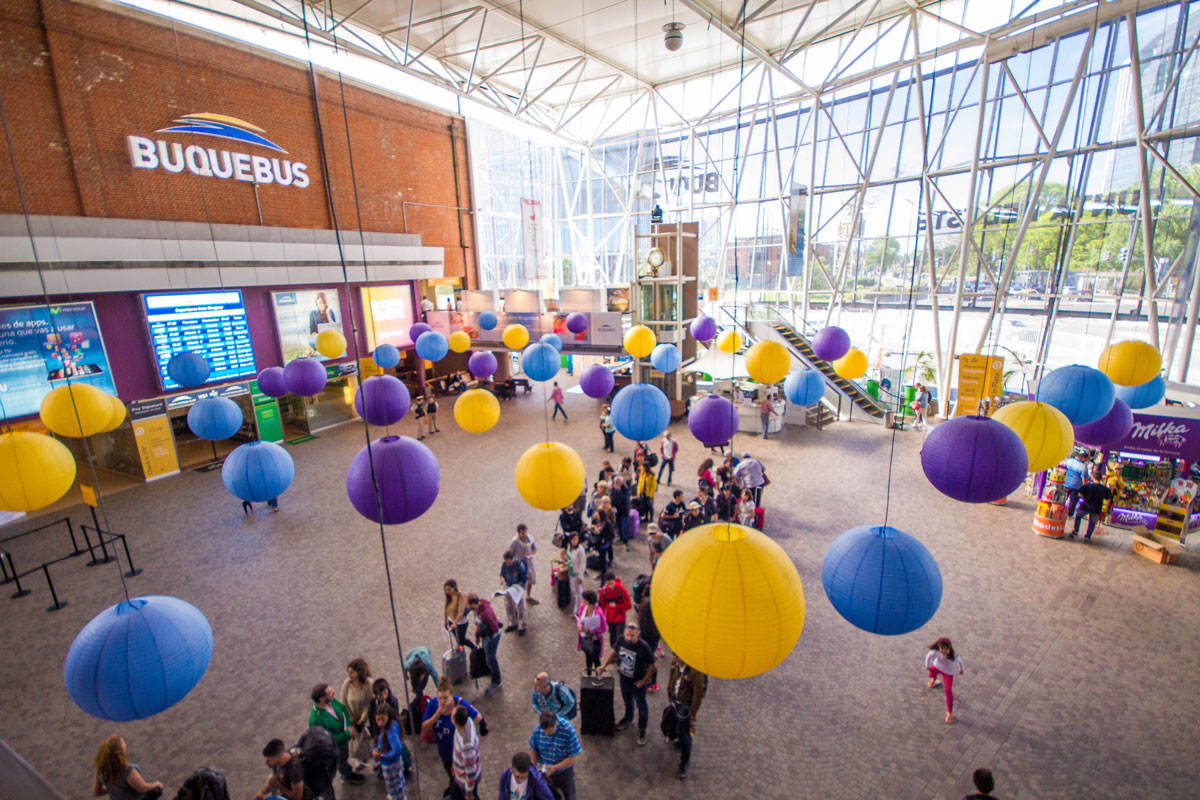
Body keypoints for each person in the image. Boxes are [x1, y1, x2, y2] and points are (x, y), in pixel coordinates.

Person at [422, 677, 484, 798]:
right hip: (445, 752)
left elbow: (477, 717)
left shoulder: (458, 705)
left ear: (452, 696)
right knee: (452, 776)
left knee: (463, 784)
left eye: (446, 698)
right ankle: (452, 786)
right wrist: (437, 714)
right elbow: (424, 728)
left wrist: (468, 734)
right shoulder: (434, 705)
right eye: (440, 698)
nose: (443, 701)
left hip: (460, 755)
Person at [599, 621, 657, 745]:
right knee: (627, 701)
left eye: (632, 635)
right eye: (627, 635)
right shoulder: (621, 640)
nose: (628, 638)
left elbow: (653, 666)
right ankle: (628, 718)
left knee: (641, 706)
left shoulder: (644, 647)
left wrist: (644, 681)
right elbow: (614, 652)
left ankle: (642, 730)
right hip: (624, 680)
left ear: (638, 634)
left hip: (638, 684)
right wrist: (604, 665)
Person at [309, 682, 364, 784]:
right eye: (330, 693)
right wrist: (347, 734)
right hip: (335, 747)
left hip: (343, 741)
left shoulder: (331, 702)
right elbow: (327, 739)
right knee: (341, 760)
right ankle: (346, 776)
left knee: (344, 756)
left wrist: (349, 724)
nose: (333, 693)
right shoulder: (315, 719)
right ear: (321, 698)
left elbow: (343, 709)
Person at [666, 655, 706, 780]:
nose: (675, 658)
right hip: (675, 701)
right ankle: (679, 741)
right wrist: (670, 694)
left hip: (685, 707)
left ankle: (685, 762)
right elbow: (671, 678)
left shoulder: (695, 671)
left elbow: (698, 694)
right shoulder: (675, 662)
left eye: (677, 656)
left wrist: (692, 712)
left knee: (685, 735)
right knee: (677, 728)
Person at [528, 711, 582, 800]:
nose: (545, 734)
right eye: (544, 731)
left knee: (569, 795)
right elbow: (533, 748)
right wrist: (533, 765)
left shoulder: (568, 730)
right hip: (546, 772)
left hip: (564, 772)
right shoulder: (538, 730)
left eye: (548, 731)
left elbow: (573, 757)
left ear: (555, 724)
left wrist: (555, 767)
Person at [91, 735, 163, 800]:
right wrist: (156, 784)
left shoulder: (100, 770)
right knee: (156, 790)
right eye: (123, 742)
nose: (125, 743)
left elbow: (96, 792)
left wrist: (114, 789)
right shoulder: (127, 770)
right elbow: (142, 788)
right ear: (119, 750)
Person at [341, 658, 374, 770]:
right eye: (348, 672)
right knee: (357, 740)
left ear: (359, 672)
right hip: (353, 719)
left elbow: (369, 703)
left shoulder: (368, 684)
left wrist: (362, 718)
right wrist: (351, 719)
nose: (349, 675)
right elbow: (344, 702)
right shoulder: (347, 684)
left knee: (371, 737)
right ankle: (361, 758)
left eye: (352, 672)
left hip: (366, 718)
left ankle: (376, 759)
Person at [467, 593, 503, 694]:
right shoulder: (476, 610)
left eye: (469, 606)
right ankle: (490, 670)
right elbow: (477, 623)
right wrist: (477, 636)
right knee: (488, 656)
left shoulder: (486, 613)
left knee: (491, 658)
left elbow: (494, 627)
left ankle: (496, 681)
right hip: (485, 636)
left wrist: (488, 636)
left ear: (473, 604)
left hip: (491, 637)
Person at [372, 702, 407, 800]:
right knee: (398, 780)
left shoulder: (391, 730)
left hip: (390, 763)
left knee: (393, 785)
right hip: (393, 762)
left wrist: (383, 755)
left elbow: (398, 749)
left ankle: (398, 797)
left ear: (389, 716)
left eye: (383, 719)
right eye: (378, 719)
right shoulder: (389, 726)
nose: (379, 722)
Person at [926, 637, 965, 723]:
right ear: (939, 647)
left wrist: (961, 669)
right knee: (931, 673)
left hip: (948, 672)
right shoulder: (936, 652)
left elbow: (960, 661)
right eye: (941, 648)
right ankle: (933, 680)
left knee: (948, 691)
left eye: (945, 649)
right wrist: (927, 665)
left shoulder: (953, 656)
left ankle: (949, 714)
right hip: (937, 666)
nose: (943, 651)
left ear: (949, 648)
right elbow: (928, 656)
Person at [451, 706, 482, 800]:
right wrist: (454, 764)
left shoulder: (467, 746)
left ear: (455, 721)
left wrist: (468, 793)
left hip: (465, 782)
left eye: (452, 715)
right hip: (460, 774)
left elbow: (471, 772)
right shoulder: (468, 721)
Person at [1070, 477, 1113, 542]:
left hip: (1086, 506)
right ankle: (1088, 536)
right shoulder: (1104, 489)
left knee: (1078, 516)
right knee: (1092, 522)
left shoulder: (1087, 486)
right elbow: (1108, 497)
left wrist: (1085, 497)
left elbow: (1080, 494)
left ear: (1093, 477)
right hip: (1097, 508)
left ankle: (1076, 530)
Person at [597, 572, 632, 650]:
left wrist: (617, 606)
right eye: (608, 584)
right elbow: (601, 607)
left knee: (620, 637)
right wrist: (601, 619)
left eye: (612, 583)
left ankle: (619, 652)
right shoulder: (603, 592)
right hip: (610, 618)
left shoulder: (621, 590)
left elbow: (629, 605)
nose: (611, 586)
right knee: (612, 636)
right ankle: (614, 652)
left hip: (620, 619)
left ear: (615, 581)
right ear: (605, 582)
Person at [575, 589, 606, 675]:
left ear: (588, 600)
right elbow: (579, 618)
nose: (582, 599)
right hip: (584, 637)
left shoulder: (598, 612)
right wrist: (579, 625)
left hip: (594, 640)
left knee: (595, 659)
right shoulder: (582, 607)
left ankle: (598, 676)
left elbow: (604, 628)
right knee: (587, 656)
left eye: (584, 598)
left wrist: (590, 631)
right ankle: (588, 674)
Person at [500, 550, 529, 635]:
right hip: (508, 587)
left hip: (517, 588)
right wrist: (501, 578)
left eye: (508, 562)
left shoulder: (519, 565)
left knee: (520, 607)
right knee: (508, 606)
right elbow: (502, 573)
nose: (507, 563)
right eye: (506, 562)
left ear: (512, 559)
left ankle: (522, 625)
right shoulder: (505, 565)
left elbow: (523, 580)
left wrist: (517, 587)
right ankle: (512, 623)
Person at [510, 524, 539, 605]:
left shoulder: (530, 538)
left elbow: (534, 548)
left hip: (529, 563)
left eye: (525, 532)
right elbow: (511, 554)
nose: (525, 534)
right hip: (520, 565)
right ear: (519, 532)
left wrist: (532, 553)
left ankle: (528, 596)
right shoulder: (514, 542)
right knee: (520, 583)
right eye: (523, 533)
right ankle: (519, 599)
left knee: (530, 580)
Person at [445, 579, 471, 649]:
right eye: (446, 590)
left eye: (449, 590)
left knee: (461, 640)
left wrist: (455, 623)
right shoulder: (448, 595)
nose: (447, 592)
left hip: (460, 623)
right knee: (458, 639)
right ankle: (461, 648)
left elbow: (460, 612)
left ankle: (472, 647)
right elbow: (445, 608)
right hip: (451, 620)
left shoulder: (460, 596)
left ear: (454, 588)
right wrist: (445, 621)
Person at [565, 531, 587, 611]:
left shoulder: (580, 550)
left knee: (578, 592)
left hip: (577, 573)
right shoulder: (569, 547)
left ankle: (577, 610)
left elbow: (583, 564)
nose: (575, 541)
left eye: (577, 539)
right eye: (574, 539)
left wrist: (580, 576)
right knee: (574, 590)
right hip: (571, 571)